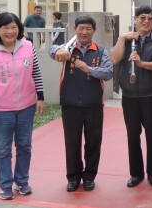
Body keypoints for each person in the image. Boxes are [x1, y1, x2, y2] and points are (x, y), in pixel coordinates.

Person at [0, 12, 44, 200]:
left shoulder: (28, 46)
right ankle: (5, 184)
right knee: (3, 149)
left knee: (24, 145)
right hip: (0, 109)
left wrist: (40, 97)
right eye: (5, 27)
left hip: (27, 106)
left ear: (19, 28)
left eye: (13, 27)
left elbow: (36, 73)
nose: (10, 31)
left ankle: (22, 181)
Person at [50, 16, 113, 192]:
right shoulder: (67, 49)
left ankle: (89, 176)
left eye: (88, 29)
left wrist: (89, 69)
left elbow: (108, 73)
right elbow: (52, 49)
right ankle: (73, 177)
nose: (84, 32)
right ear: (75, 29)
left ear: (94, 31)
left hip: (93, 105)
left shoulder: (101, 51)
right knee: (72, 143)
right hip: (70, 104)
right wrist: (57, 51)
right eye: (80, 28)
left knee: (93, 142)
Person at [111, 5, 152, 188]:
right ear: (135, 19)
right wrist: (122, 39)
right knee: (132, 135)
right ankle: (136, 173)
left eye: (150, 19)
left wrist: (141, 63)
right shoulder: (127, 39)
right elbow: (115, 59)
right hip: (129, 96)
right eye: (142, 18)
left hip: (150, 94)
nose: (146, 22)